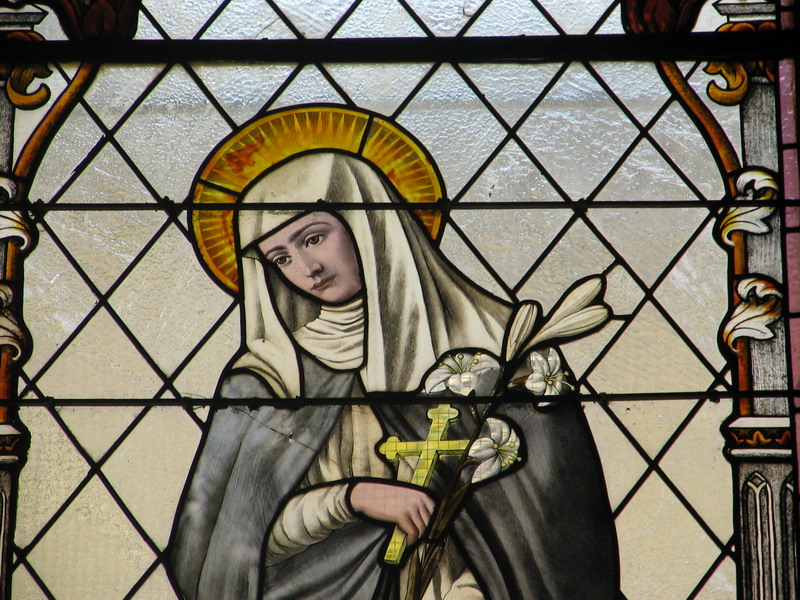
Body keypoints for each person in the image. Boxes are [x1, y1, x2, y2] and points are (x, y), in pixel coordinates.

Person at [169, 152, 619, 600]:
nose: (307, 270)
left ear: (367, 222)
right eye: (281, 259)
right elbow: (227, 552)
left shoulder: (499, 350)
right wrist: (350, 499)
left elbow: (554, 532)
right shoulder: (271, 379)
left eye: (313, 238)